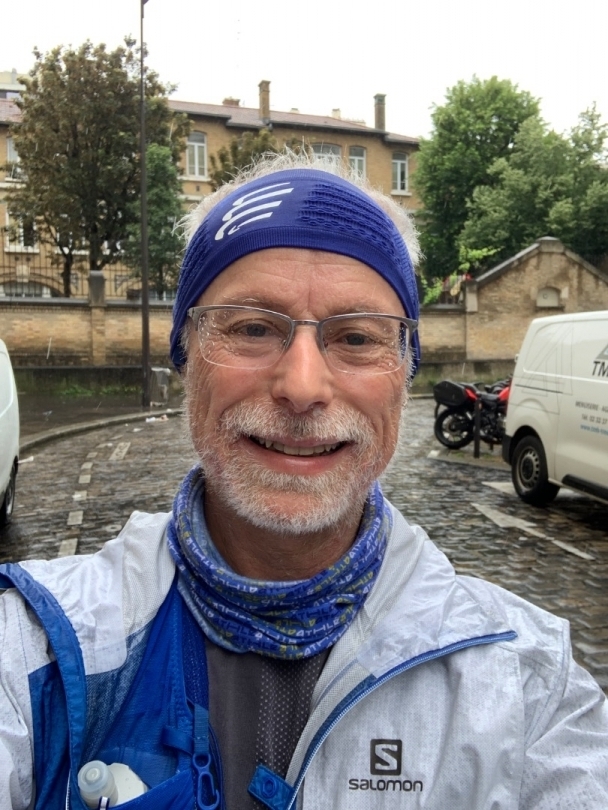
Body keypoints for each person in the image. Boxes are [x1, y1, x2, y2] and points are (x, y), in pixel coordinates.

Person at [0, 155, 607, 810]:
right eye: (252, 327)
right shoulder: (37, 651)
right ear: (186, 359)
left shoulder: (528, 685)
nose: (302, 386)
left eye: (357, 338)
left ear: (405, 373)